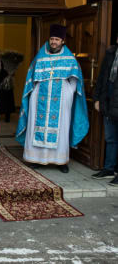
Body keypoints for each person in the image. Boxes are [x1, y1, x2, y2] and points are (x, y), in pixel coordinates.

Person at [16, 24, 89, 173]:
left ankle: (60, 161)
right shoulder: (40, 57)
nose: (54, 42)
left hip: (61, 101)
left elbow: (75, 80)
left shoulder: (69, 59)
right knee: (37, 126)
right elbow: (31, 79)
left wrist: (67, 93)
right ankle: (37, 159)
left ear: (62, 41)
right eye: (52, 39)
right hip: (39, 100)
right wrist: (35, 94)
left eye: (57, 39)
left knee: (60, 129)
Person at [92, 32, 118, 186]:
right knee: (110, 138)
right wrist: (96, 99)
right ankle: (108, 169)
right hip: (108, 102)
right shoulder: (110, 53)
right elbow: (102, 77)